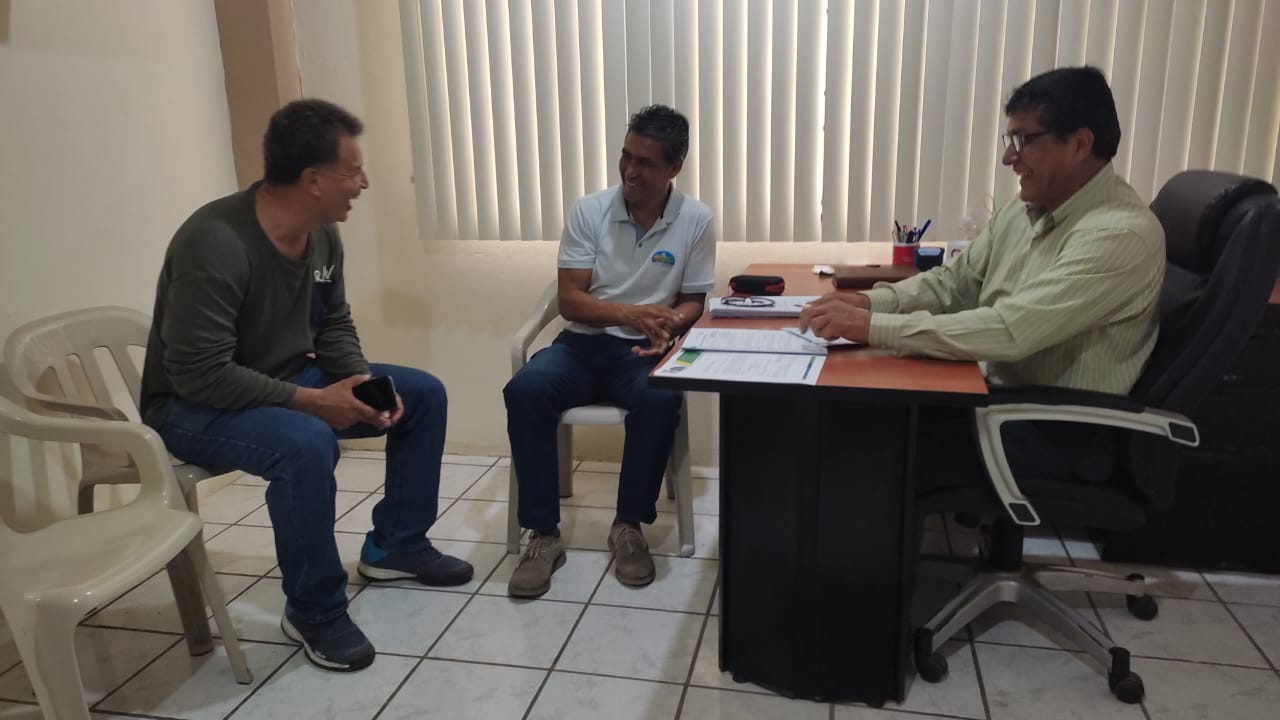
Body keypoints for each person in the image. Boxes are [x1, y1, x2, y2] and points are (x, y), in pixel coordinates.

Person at [140, 99, 472, 672]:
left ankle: (396, 545)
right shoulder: (214, 243)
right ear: (313, 180)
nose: (364, 184)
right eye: (354, 172)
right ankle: (314, 609)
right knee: (305, 443)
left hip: (280, 376)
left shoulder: (321, 235)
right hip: (189, 405)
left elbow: (332, 321)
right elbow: (199, 372)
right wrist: (314, 402)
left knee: (422, 395)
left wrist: (360, 382)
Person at [799, 66, 1165, 492]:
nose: (1009, 158)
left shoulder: (1119, 235)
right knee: (850, 410)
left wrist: (871, 328)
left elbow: (1009, 330)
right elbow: (953, 284)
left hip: (1055, 431)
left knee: (866, 447)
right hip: (996, 395)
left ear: (1080, 144)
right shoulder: (1025, 210)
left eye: (1024, 140)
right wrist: (869, 304)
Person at [503, 105, 715, 598]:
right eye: (626, 156)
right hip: (581, 343)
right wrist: (631, 314)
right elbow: (571, 300)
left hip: (642, 351)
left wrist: (668, 323)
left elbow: (693, 301)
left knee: (660, 398)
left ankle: (627, 527)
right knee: (526, 389)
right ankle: (543, 534)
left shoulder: (695, 219)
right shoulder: (590, 210)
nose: (629, 171)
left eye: (644, 162)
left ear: (674, 167)